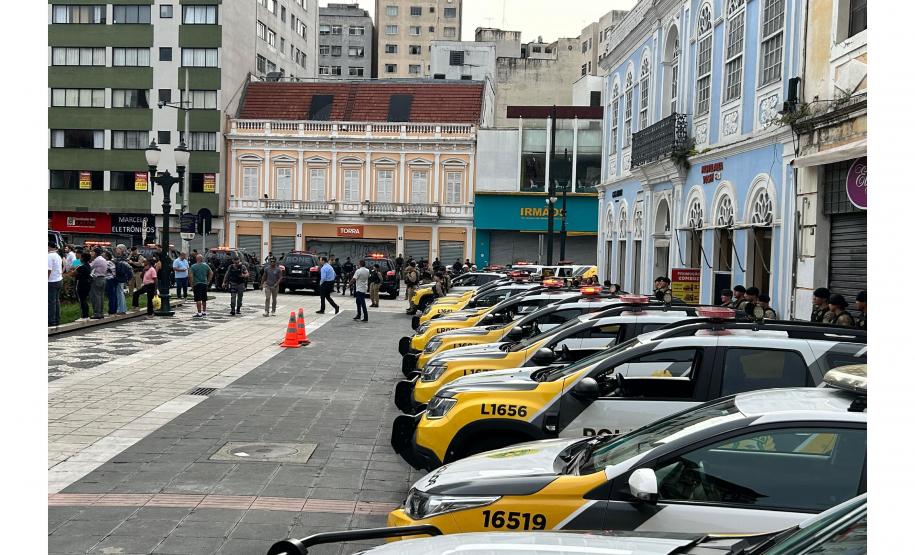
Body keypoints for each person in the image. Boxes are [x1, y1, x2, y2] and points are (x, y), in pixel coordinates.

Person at [70, 251, 93, 320]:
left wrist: (73, 270)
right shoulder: (89, 266)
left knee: (81, 300)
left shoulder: (80, 266)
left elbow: (72, 274)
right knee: (84, 300)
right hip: (88, 284)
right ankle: (86, 315)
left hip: (80, 284)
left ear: (82, 258)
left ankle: (84, 316)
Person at [88, 248, 108, 320]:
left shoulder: (97, 260)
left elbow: (89, 267)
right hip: (103, 278)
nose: (91, 253)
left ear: (95, 253)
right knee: (101, 296)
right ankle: (101, 313)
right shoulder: (103, 259)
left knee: (95, 297)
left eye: (92, 252)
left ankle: (97, 313)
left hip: (97, 279)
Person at [48, 242, 64, 327]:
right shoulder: (58, 256)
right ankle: (57, 319)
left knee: (51, 302)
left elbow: (48, 270)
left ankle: (51, 321)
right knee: (56, 301)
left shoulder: (49, 256)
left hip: (51, 281)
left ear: (48, 247)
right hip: (59, 280)